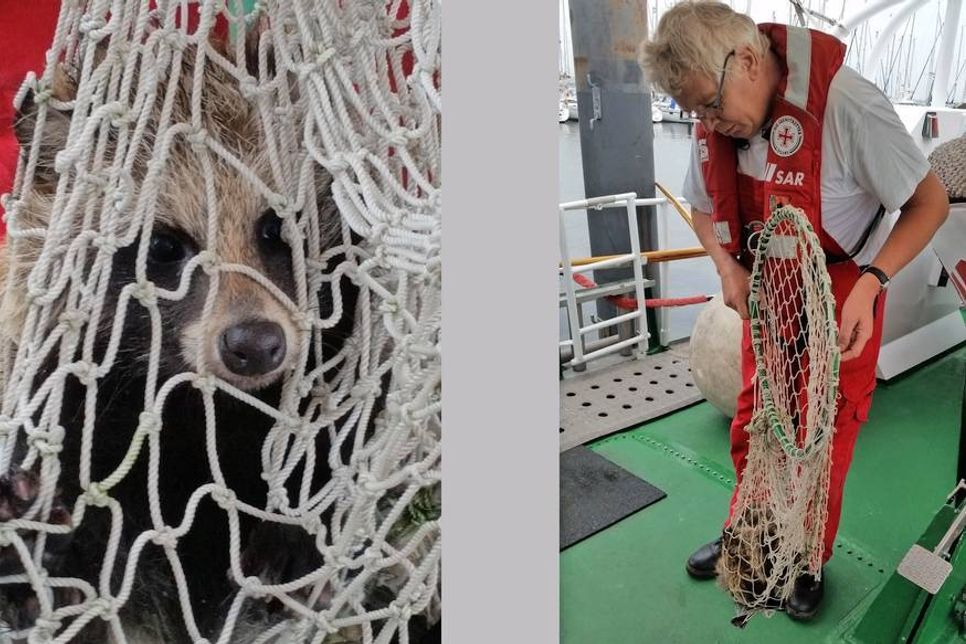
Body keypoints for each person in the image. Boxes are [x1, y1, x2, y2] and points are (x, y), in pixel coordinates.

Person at [639, 0, 949, 620]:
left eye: (709, 105)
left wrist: (871, 284)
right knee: (756, 419)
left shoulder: (848, 106)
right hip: (767, 292)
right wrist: (726, 268)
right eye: (693, 110)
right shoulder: (717, 120)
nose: (704, 120)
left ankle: (807, 558)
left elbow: (930, 202)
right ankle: (749, 537)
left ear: (748, 60)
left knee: (824, 433)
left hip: (841, 290)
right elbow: (703, 207)